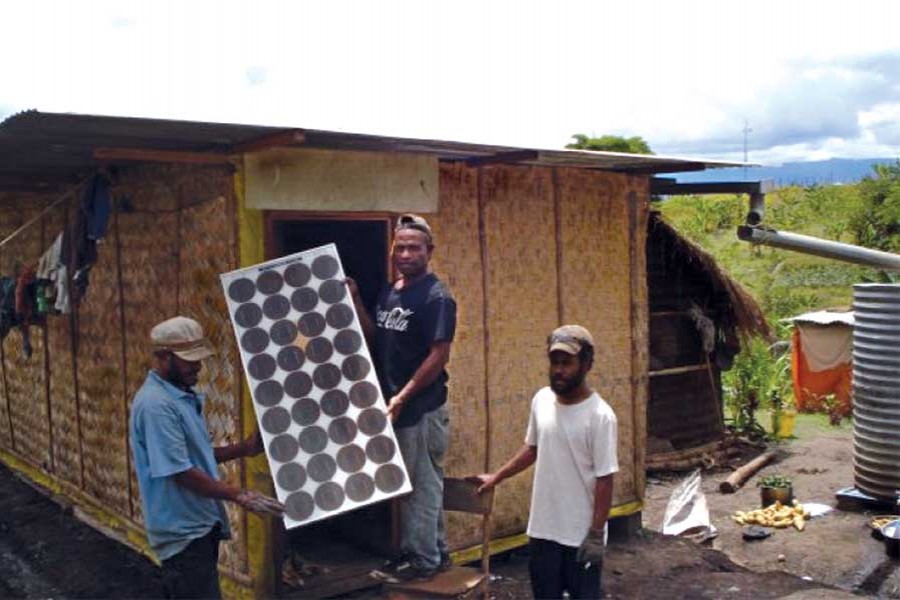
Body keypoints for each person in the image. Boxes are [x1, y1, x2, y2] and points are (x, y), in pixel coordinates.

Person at [129, 316, 283, 599]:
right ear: (163, 357)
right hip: (182, 531)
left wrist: (244, 448)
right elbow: (180, 471)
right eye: (188, 361)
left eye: (198, 359)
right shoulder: (157, 406)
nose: (197, 366)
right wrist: (238, 494)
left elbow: (192, 458)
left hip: (197, 525)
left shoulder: (179, 396)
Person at [347, 214, 457, 581]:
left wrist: (404, 396)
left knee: (420, 487)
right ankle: (436, 553)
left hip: (422, 408)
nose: (406, 254)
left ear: (429, 251)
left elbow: (439, 355)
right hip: (399, 406)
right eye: (400, 248)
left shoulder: (436, 298)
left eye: (414, 248)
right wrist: (357, 300)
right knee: (420, 483)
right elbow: (375, 338)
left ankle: (421, 561)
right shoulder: (392, 291)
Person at [476, 325, 618, 600]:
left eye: (567, 363)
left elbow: (605, 479)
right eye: (555, 362)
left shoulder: (600, 416)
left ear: (587, 364)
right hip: (543, 530)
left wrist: (596, 534)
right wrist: (497, 477)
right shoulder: (541, 400)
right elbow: (533, 448)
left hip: (579, 535)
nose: (559, 370)